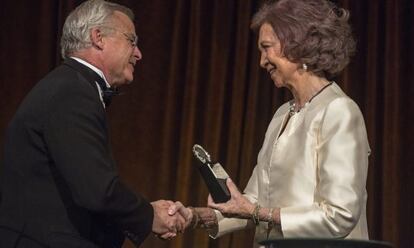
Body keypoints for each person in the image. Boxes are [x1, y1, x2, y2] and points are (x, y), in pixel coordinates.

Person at [0, 0, 191, 247]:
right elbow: (97, 191)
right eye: (131, 41)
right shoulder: (71, 91)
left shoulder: (69, 85)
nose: (138, 53)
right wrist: (149, 215)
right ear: (98, 37)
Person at [180, 0, 370, 247]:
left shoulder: (339, 111)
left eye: (266, 47)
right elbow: (253, 203)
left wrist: (258, 213)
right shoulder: (283, 114)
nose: (262, 61)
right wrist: (195, 217)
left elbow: (340, 215)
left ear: (299, 44)